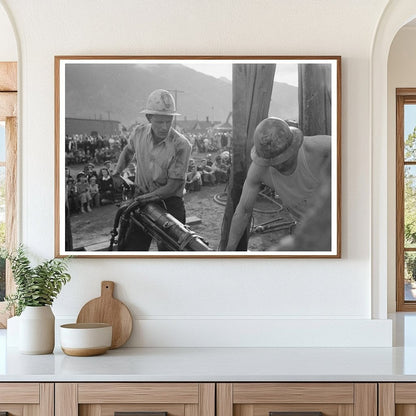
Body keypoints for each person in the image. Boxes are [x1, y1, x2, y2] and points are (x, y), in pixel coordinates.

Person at [226, 117, 331, 251]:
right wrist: (229, 250)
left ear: (294, 146)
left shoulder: (320, 148)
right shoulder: (259, 169)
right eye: (274, 161)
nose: (280, 164)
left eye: (284, 158)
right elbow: (244, 211)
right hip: (306, 228)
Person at [113, 89, 192, 251]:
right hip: (141, 197)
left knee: (171, 254)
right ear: (149, 118)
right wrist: (117, 172)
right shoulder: (139, 133)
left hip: (169, 203)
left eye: (168, 121)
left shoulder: (181, 145)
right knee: (133, 249)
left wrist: (143, 200)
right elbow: (128, 151)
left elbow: (174, 186)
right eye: (159, 122)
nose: (164, 127)